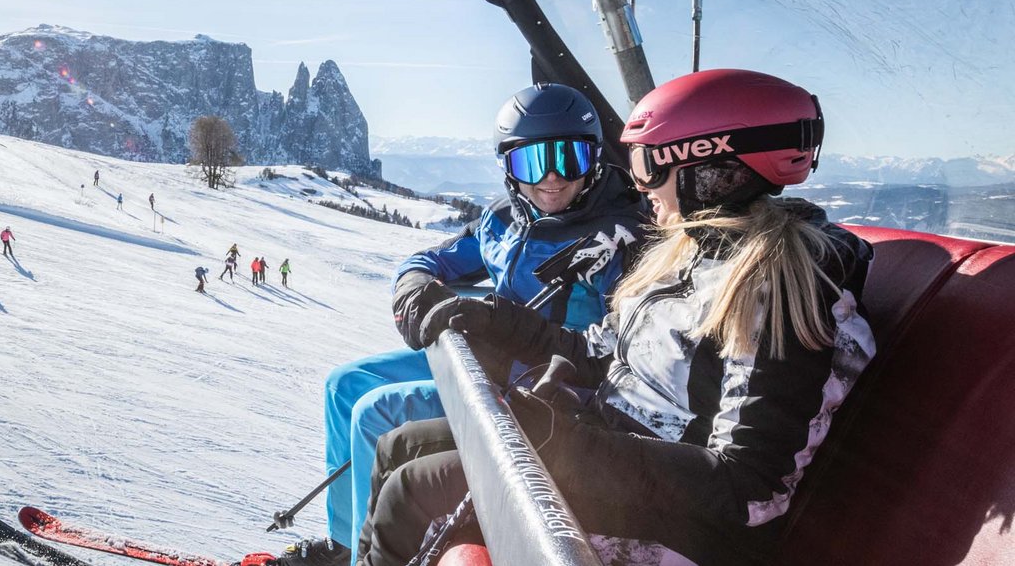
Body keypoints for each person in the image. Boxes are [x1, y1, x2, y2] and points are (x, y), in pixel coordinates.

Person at [356, 69, 874, 566]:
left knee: (412, 492)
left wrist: (568, 445)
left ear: (706, 167)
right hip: (611, 448)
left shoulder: (780, 286)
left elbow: (749, 488)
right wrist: (492, 317)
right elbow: (595, 353)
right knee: (399, 446)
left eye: (647, 164)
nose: (640, 185)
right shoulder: (689, 254)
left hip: (684, 523)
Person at [278, 84, 648, 566]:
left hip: (541, 386)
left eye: (568, 159)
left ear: (594, 159)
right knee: (345, 384)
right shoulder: (505, 219)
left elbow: (619, 348)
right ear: (508, 167)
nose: (552, 178)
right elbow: (433, 259)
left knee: (375, 411)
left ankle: (369, 556)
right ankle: (346, 541)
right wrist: (414, 288)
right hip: (485, 359)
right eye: (532, 163)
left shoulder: (618, 239)